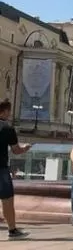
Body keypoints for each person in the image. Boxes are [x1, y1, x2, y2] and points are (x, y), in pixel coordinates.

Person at [0, 99, 31, 240]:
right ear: (5, 111)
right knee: (7, 199)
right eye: (9, 111)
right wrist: (25, 148)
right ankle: (12, 230)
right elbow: (16, 150)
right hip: (1, 168)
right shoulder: (7, 128)